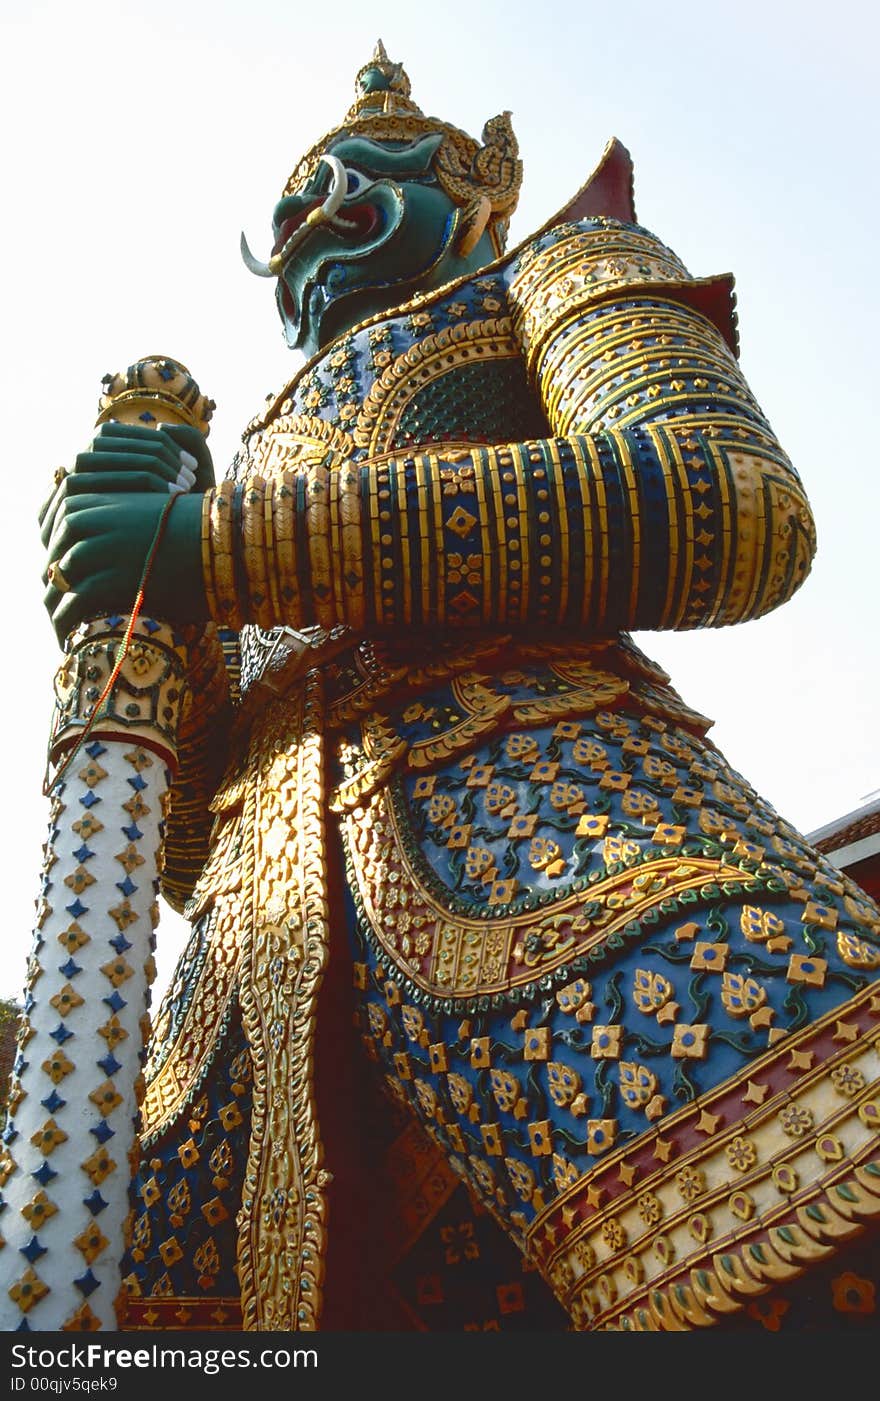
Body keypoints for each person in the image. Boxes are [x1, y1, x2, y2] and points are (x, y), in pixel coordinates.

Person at [38, 44, 880, 1332]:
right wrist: (137, 663)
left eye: (358, 180)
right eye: (291, 205)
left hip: (562, 844)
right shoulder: (251, 454)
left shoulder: (553, 273)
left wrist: (219, 547)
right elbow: (196, 835)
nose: (310, 216)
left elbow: (728, 501)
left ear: (474, 199)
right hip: (242, 1001)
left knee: (797, 1231)